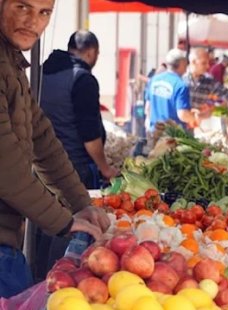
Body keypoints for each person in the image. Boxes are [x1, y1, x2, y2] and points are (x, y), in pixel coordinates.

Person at [0, 0, 111, 297]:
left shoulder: (11, 63)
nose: (33, 21)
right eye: (22, 7)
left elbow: (43, 140)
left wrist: (81, 203)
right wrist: (65, 221)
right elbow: (6, 168)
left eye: (44, 12)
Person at [41, 30, 118, 189]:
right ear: (91, 52)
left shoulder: (42, 72)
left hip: (44, 165)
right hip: (76, 168)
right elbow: (89, 133)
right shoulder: (83, 79)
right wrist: (105, 169)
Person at [182, 48, 228, 116]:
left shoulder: (208, 81)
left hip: (193, 122)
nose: (208, 66)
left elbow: (227, 94)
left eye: (208, 63)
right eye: (204, 63)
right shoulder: (180, 78)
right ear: (193, 62)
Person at [145, 48, 195, 132]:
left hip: (154, 132)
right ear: (182, 63)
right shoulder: (180, 85)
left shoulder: (154, 80)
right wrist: (194, 118)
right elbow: (182, 114)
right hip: (172, 138)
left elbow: (147, 108)